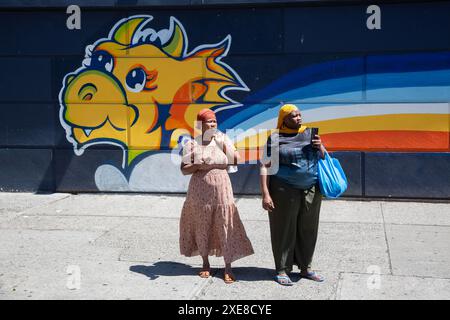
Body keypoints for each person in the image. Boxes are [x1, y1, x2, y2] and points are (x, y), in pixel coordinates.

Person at [179, 108, 254, 284]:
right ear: (200, 125)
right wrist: (196, 165)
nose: (212, 125)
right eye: (208, 122)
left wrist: (222, 144)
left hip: (222, 187)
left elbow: (236, 159)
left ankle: (228, 267)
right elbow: (184, 170)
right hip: (199, 189)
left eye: (214, 121)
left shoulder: (223, 139)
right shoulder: (192, 144)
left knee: (225, 223)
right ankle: (205, 263)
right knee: (202, 223)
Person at [259, 104, 326, 286]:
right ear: (284, 120)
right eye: (294, 116)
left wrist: (321, 147)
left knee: (308, 229)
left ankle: (306, 268)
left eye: (299, 115)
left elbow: (324, 157)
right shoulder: (275, 138)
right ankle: (282, 269)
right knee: (283, 229)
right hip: (283, 189)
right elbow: (265, 165)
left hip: (311, 188)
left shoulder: (310, 134)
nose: (299, 118)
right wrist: (266, 193)